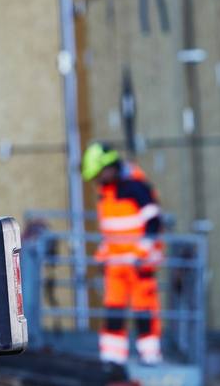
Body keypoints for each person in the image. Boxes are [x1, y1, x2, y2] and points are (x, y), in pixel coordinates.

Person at [82, 142, 164, 367]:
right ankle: (112, 359)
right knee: (114, 312)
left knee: (144, 312)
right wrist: (102, 256)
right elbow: (111, 232)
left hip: (139, 265)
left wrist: (141, 253)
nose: (97, 180)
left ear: (109, 168)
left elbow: (154, 222)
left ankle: (150, 357)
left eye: (99, 174)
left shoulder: (135, 188)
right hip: (116, 265)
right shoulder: (106, 194)